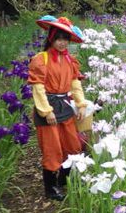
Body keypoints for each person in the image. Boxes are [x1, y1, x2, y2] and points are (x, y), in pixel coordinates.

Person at [29, 15, 88, 201]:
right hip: (48, 106)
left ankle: (64, 178)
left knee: (72, 143)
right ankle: (50, 188)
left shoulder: (70, 60)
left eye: (65, 39)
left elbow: (75, 84)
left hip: (65, 105)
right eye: (58, 38)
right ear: (51, 38)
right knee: (52, 147)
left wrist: (80, 104)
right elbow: (38, 87)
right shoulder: (42, 59)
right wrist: (46, 111)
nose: (62, 43)